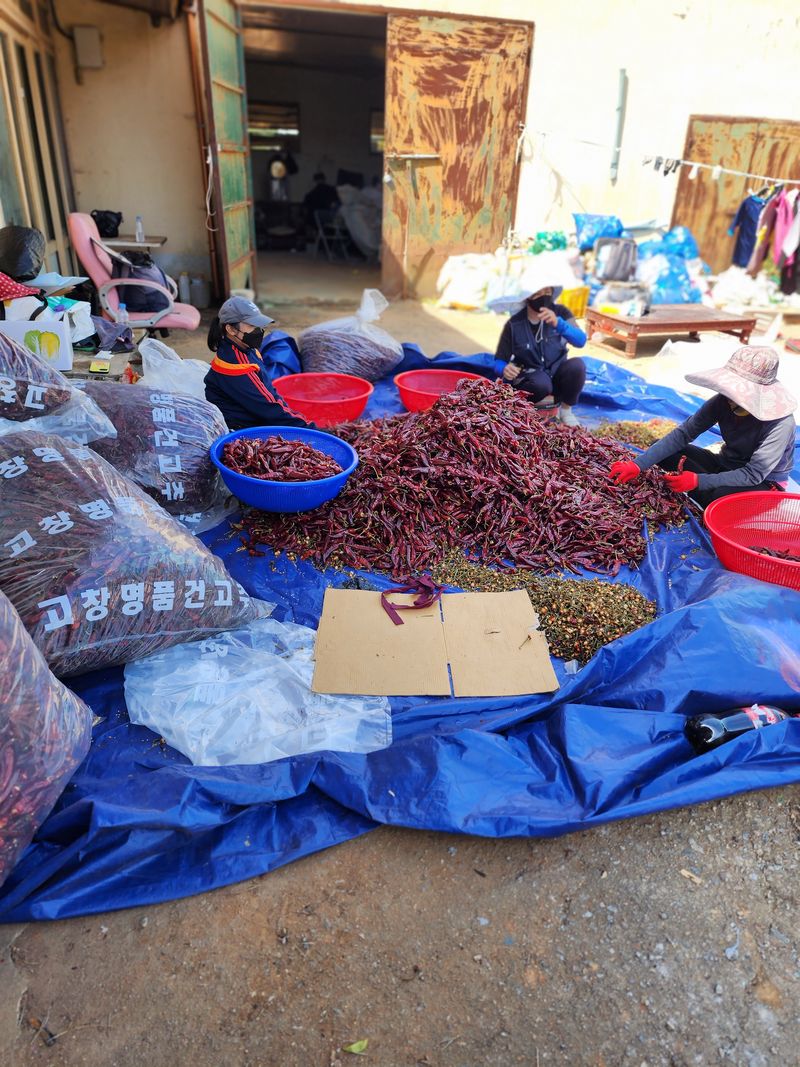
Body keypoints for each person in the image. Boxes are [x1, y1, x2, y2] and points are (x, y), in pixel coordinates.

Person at [609, 346, 797, 508]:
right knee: (664, 450)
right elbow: (684, 434)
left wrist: (698, 480)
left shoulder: (780, 423)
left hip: (763, 482)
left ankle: (707, 490)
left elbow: (754, 473)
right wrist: (637, 464)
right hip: (723, 464)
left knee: (717, 500)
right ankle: (706, 487)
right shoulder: (722, 402)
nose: (730, 398)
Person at [204, 296, 312, 430]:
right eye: (252, 326)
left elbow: (269, 391)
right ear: (231, 329)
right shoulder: (236, 365)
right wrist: (312, 428)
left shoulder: (248, 348)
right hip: (241, 429)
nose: (259, 331)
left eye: (259, 325)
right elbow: (270, 410)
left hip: (256, 412)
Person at [495, 286, 587, 426]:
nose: (543, 297)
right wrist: (504, 369)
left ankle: (566, 411)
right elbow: (499, 360)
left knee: (577, 366)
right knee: (541, 383)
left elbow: (581, 340)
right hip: (532, 379)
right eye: (537, 294)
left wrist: (559, 323)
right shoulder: (514, 324)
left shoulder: (561, 312)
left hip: (557, 375)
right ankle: (522, 412)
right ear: (527, 297)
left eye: (547, 292)